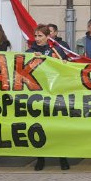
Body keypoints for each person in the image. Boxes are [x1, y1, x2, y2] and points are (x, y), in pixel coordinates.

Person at [28, 24, 70, 171]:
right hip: (38, 94)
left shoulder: (56, 50)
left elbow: (66, 68)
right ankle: (41, 158)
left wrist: (63, 63)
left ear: (48, 36)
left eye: (40, 36)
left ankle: (63, 157)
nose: (37, 38)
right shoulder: (29, 52)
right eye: (35, 36)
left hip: (55, 93)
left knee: (58, 127)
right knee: (40, 127)